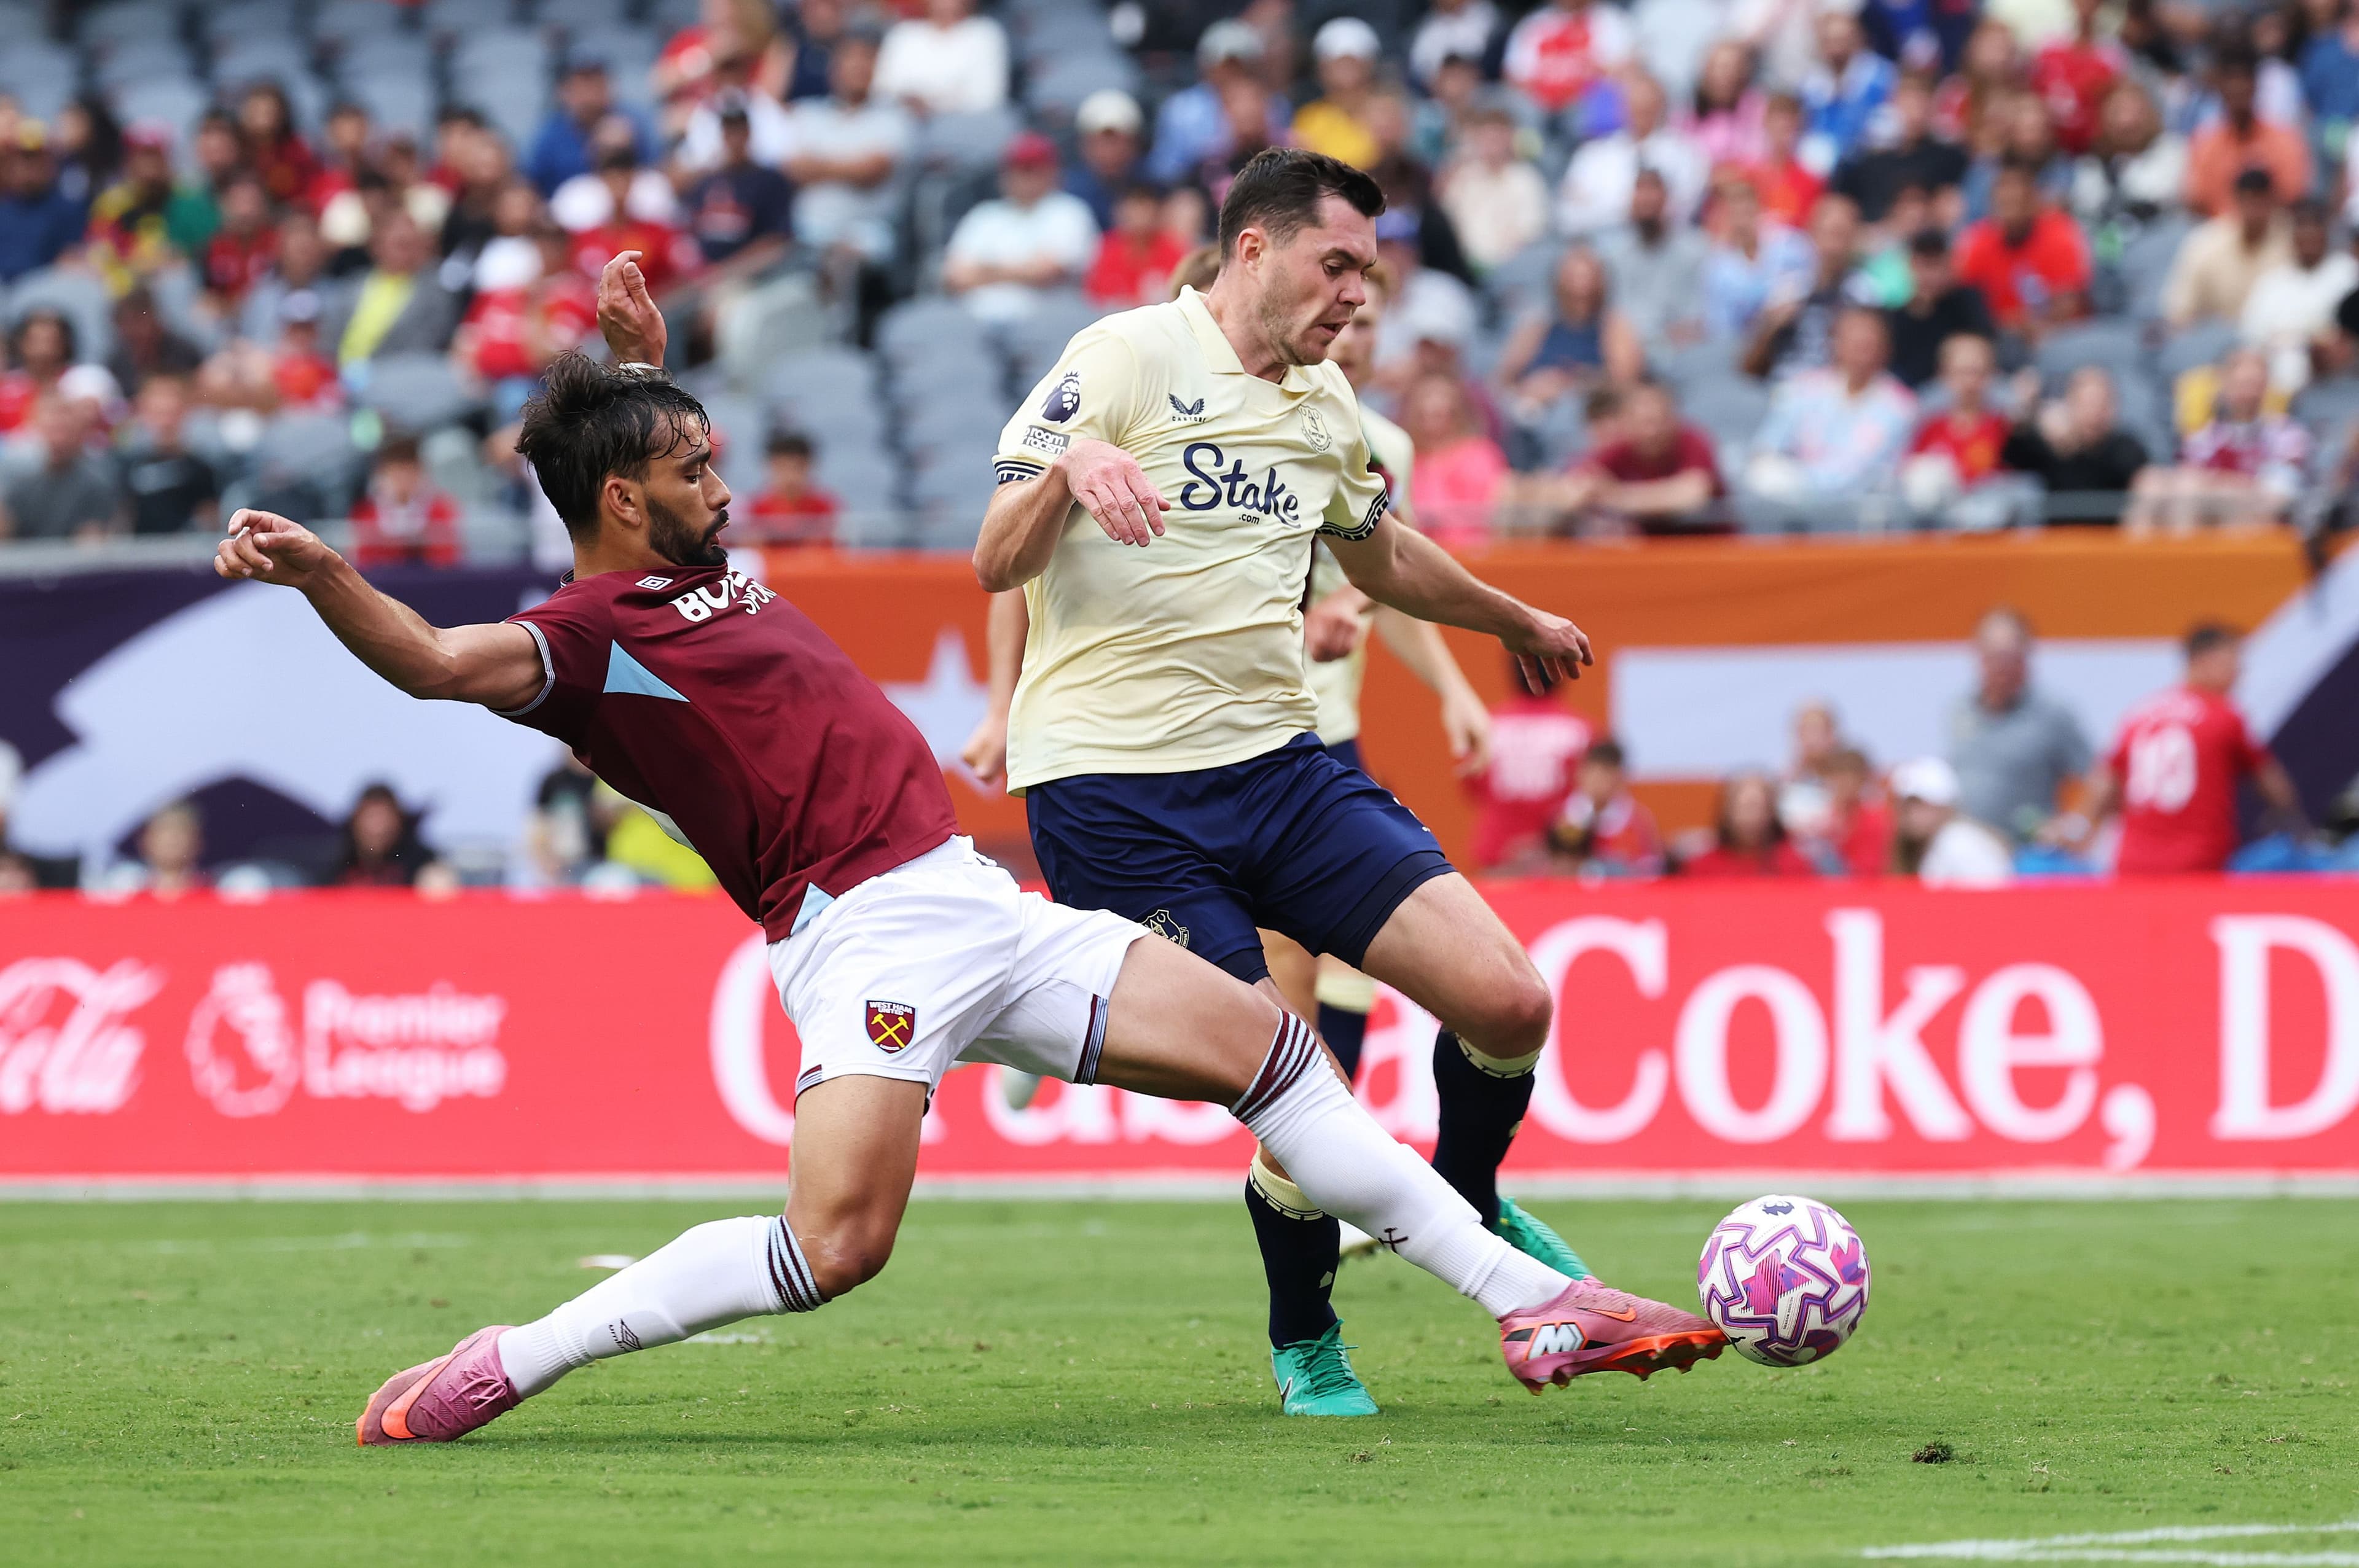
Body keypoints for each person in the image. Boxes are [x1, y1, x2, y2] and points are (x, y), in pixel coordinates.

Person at [214, 252, 1716, 1447]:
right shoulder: (581, 640)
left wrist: (635, 370)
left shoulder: (688, 563)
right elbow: (425, 656)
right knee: (834, 1245)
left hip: (971, 895)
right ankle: (513, 1357)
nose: (723, 486)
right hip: (859, 938)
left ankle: (1538, 1303)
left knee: (1270, 1049)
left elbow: (629, 460)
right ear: (625, 502)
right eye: (693, 465)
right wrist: (324, 569)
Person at [973, 150, 1714, 1416]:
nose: (1358, 296)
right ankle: (1312, 1329)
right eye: (1338, 265)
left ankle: (1464, 1195)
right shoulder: (1129, 354)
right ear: (1252, 251)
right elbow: (995, 560)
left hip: (1281, 770)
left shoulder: (1325, 409)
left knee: (1511, 998)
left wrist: (1510, 615)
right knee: (1296, 1083)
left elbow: (1384, 558)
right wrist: (1067, 473)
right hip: (1119, 799)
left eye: (1369, 272)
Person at [2075, 622, 2305, 873]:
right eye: (2234, 662)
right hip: (2199, 863)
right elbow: (2271, 781)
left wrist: (2078, 828)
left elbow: (2104, 784)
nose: (2240, 674)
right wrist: (2296, 823)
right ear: (2206, 659)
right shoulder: (2224, 716)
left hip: (2133, 864)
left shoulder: (2141, 715)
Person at [1740, 305, 1919, 531]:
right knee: (1763, 475)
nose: (1861, 347)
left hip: (1866, 514)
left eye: (1869, 341)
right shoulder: (1800, 390)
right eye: (1853, 338)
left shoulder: (1901, 405)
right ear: (1835, 342)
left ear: (1885, 348)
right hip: (1799, 507)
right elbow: (1766, 449)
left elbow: (1874, 471)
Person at [2126, 346, 2312, 530]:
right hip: (2208, 518)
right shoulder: (2203, 438)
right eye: (2241, 385)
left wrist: (2220, 487)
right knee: (2151, 482)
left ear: (2267, 386)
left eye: (2254, 385)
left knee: (2192, 489)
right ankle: (2137, 555)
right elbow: (2187, 477)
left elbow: (2278, 496)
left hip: (2258, 523)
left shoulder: (2285, 433)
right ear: (2224, 385)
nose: (2248, 394)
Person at [1947, 604, 2091, 844]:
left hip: (2027, 858)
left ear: (2027, 658)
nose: (2002, 667)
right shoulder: (1959, 711)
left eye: (2011, 657)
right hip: (1970, 857)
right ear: (1978, 656)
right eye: (1994, 656)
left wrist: (2075, 828)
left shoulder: (2052, 715)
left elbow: (2098, 780)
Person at [781, 31, 914, 273]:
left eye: (865, 60)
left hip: (868, 231)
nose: (857, 68)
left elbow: (870, 172)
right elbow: (793, 169)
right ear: (834, 68)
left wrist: (818, 167)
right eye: (849, 60)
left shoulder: (894, 117)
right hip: (805, 232)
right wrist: (847, 166)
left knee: (848, 257)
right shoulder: (807, 114)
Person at [942, 134, 1100, 324]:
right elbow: (955, 276)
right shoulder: (984, 215)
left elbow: (1046, 273)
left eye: (1033, 169)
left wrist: (985, 269)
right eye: (1017, 169)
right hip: (976, 321)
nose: (1025, 177)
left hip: (1044, 322)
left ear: (1053, 171)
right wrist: (1023, 269)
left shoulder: (1069, 211)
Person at [1901, 333, 2040, 528]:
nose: (1970, 382)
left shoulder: (2010, 427)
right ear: (1944, 375)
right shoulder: (1929, 427)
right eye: (1961, 372)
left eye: (1978, 372)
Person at [1556, 380, 1726, 532]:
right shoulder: (1620, 447)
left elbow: (1692, 494)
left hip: (1704, 547)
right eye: (1645, 422)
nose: (1653, 431)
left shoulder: (1693, 441)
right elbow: (1576, 487)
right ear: (1627, 422)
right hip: (1646, 551)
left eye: (1660, 421)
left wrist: (1617, 497)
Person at [1554, 74, 1707, 238]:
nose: (1640, 113)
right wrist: (1626, 213)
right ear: (1621, 108)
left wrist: (1603, 208)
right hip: (1602, 246)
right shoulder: (1593, 156)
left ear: (1662, 108)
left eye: (1648, 107)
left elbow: (1681, 211)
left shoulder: (1685, 155)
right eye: (1634, 105)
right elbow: (1568, 214)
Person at [1496, 246, 1642, 418]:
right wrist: (1529, 390)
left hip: (1594, 417)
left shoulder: (1614, 326)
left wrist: (1571, 386)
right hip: (1535, 417)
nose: (1580, 287)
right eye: (1572, 278)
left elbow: (1627, 384)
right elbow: (1500, 382)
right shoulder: (1537, 327)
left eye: (1587, 278)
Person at [1952, 159, 2092, 338]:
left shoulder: (2059, 231)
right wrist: (2016, 323)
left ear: (2033, 202)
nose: (2010, 213)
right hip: (2000, 337)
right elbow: (1966, 304)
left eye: (2017, 203)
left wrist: (2022, 322)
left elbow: (2068, 305)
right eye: (2004, 205)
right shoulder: (1979, 241)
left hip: (2060, 334)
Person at [1742, 191, 1867, 380]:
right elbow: (1749, 365)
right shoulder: (1786, 288)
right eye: (1828, 233)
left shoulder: (1863, 294)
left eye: (1841, 235)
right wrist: (1770, 328)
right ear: (1812, 233)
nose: (1833, 247)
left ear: (1854, 238)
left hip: (1833, 391)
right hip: (1781, 387)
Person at [2239, 198, 2357, 394]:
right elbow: (2250, 341)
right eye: (2302, 235)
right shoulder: (2272, 283)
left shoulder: (2349, 274)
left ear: (2326, 234)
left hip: (2335, 384)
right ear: (2292, 237)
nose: (2308, 244)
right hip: (2273, 390)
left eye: (2314, 235)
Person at [322, 211, 462, 373]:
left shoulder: (436, 293)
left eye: (411, 244)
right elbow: (330, 335)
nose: (406, 252)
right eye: (399, 244)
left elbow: (424, 347)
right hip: (340, 375)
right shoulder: (354, 283)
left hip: (395, 380)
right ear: (377, 246)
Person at [2001, 364, 2150, 517]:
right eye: (2088, 403)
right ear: (2070, 403)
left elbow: (2141, 480)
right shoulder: (2050, 445)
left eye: (2103, 403)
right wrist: (2025, 414)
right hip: (2056, 537)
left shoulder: (2126, 447)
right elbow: (2011, 457)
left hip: (2112, 537)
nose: (2096, 412)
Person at [2183, 44, 2311, 216]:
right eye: (2231, 82)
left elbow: (2294, 195)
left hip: (2273, 229)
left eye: (2244, 81)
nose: (2238, 89)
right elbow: (2198, 201)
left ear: (2255, 86)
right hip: (2221, 230)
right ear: (2220, 87)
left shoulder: (2284, 138)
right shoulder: (2204, 141)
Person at [1593, 168, 1712, 348]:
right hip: (1621, 346)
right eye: (1640, 190)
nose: (1647, 198)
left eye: (1654, 189)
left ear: (1666, 198)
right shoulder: (1611, 252)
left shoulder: (1693, 249)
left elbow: (1695, 316)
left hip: (1674, 346)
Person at [2163, 168, 2295, 329]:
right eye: (2247, 201)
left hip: (2274, 337)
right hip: (2215, 339)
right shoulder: (2206, 243)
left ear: (2273, 201)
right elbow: (2180, 309)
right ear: (2236, 201)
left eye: (2259, 200)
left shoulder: (2294, 241)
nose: (2253, 210)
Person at [1831, 69, 1968, 225]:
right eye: (1908, 101)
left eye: (1921, 101)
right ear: (1894, 103)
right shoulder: (1871, 164)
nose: (1915, 111)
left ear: (1933, 105)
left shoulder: (1950, 159)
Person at [1702, 170, 1817, 341]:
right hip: (1744, 350)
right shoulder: (1718, 268)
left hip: (1793, 337)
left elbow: (1804, 291)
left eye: (1746, 205)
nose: (1741, 215)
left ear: (1758, 205)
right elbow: (1721, 328)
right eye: (1734, 208)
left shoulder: (1790, 245)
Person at [1885, 227, 2000, 388]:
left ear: (1949, 264)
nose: (1930, 275)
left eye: (1936, 265)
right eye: (1924, 265)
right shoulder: (1897, 318)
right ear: (1912, 265)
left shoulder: (1967, 303)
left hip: (1960, 390)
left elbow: (1983, 347)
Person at [0, 395, 123, 542]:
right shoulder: (23, 487)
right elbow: (8, 533)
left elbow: (92, 542)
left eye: (63, 430)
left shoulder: (96, 484)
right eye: (52, 430)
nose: (58, 439)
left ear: (78, 432)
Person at [527, 57, 657, 197]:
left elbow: (654, 175)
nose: (591, 95)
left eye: (597, 84)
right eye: (583, 85)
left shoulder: (633, 123)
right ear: (565, 91)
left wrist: (623, 150)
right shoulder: (548, 136)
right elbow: (531, 186)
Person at [118, 375, 219, 536]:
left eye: (171, 413)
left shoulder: (200, 469)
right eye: (159, 414)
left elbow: (209, 520)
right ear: (145, 414)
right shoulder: (128, 465)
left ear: (184, 414)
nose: (165, 422)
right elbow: (122, 517)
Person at [1888, 757, 2015, 885]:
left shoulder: (1959, 842)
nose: (1910, 813)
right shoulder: (1938, 842)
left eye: (1919, 804)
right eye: (1906, 805)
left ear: (1943, 806)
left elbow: (1990, 898)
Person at [1547, 739, 1664, 876]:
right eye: (1592, 773)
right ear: (1580, 774)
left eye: (1605, 774)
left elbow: (1652, 868)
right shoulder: (1562, 817)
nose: (1597, 782)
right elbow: (1554, 869)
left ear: (1620, 778)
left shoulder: (1637, 821)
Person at [1501, 0, 1635, 120]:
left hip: (1586, 105)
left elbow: (1621, 70)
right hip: (1540, 108)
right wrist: (1548, 98)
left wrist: (1573, 95)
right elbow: (1515, 76)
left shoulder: (1609, 20)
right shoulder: (1535, 23)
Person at [875, 0, 1009, 116]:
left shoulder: (985, 34)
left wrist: (932, 104)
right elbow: (884, 89)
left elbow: (988, 97)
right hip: (905, 123)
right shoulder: (903, 34)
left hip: (965, 127)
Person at [1679, 772, 1818, 876]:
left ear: (1771, 812)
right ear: (1727, 810)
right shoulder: (1702, 866)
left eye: (1758, 807)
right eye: (1744, 807)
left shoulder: (1794, 864)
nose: (1751, 816)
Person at [1294, 18, 1385, 170]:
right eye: (1338, 64)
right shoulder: (1308, 119)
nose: (1345, 72)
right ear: (1322, 69)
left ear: (1369, 66)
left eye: (1352, 63)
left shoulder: (1387, 115)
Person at [0, 122, 84, 284]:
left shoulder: (69, 209)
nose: (30, 167)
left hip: (44, 292)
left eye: (37, 158)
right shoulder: (3, 208)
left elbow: (71, 259)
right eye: (24, 158)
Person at [1085, 182, 1189, 309]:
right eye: (1133, 208)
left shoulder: (1173, 249)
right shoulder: (1107, 247)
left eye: (1144, 208)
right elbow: (1094, 298)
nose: (1139, 216)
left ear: (1157, 211)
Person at [1065, 90, 1146, 231]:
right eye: (1100, 142)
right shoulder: (1069, 193)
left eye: (1115, 142)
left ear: (1135, 144)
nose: (1108, 152)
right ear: (1083, 146)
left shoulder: (1153, 187)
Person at [332, 782, 439, 888]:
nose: (378, 829)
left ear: (399, 823)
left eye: (385, 820)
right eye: (371, 818)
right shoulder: (333, 862)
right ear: (355, 821)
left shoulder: (420, 862)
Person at [745, 430, 840, 545]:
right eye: (782, 468)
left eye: (797, 468)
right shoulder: (758, 508)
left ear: (809, 466)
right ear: (770, 467)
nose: (790, 476)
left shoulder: (824, 507)